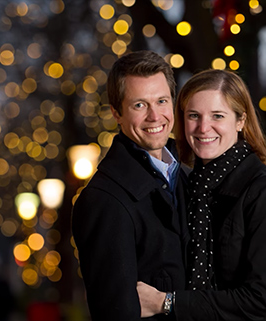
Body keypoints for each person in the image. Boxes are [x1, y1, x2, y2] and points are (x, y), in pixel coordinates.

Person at [137, 69, 266, 320]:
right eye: (193, 116)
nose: (203, 127)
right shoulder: (183, 187)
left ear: (240, 120)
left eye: (217, 115)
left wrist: (167, 302)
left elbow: (258, 302)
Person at [71, 50, 189, 320]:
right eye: (139, 105)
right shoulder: (102, 199)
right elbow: (114, 312)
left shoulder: (188, 177)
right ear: (116, 113)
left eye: (161, 101)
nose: (154, 116)